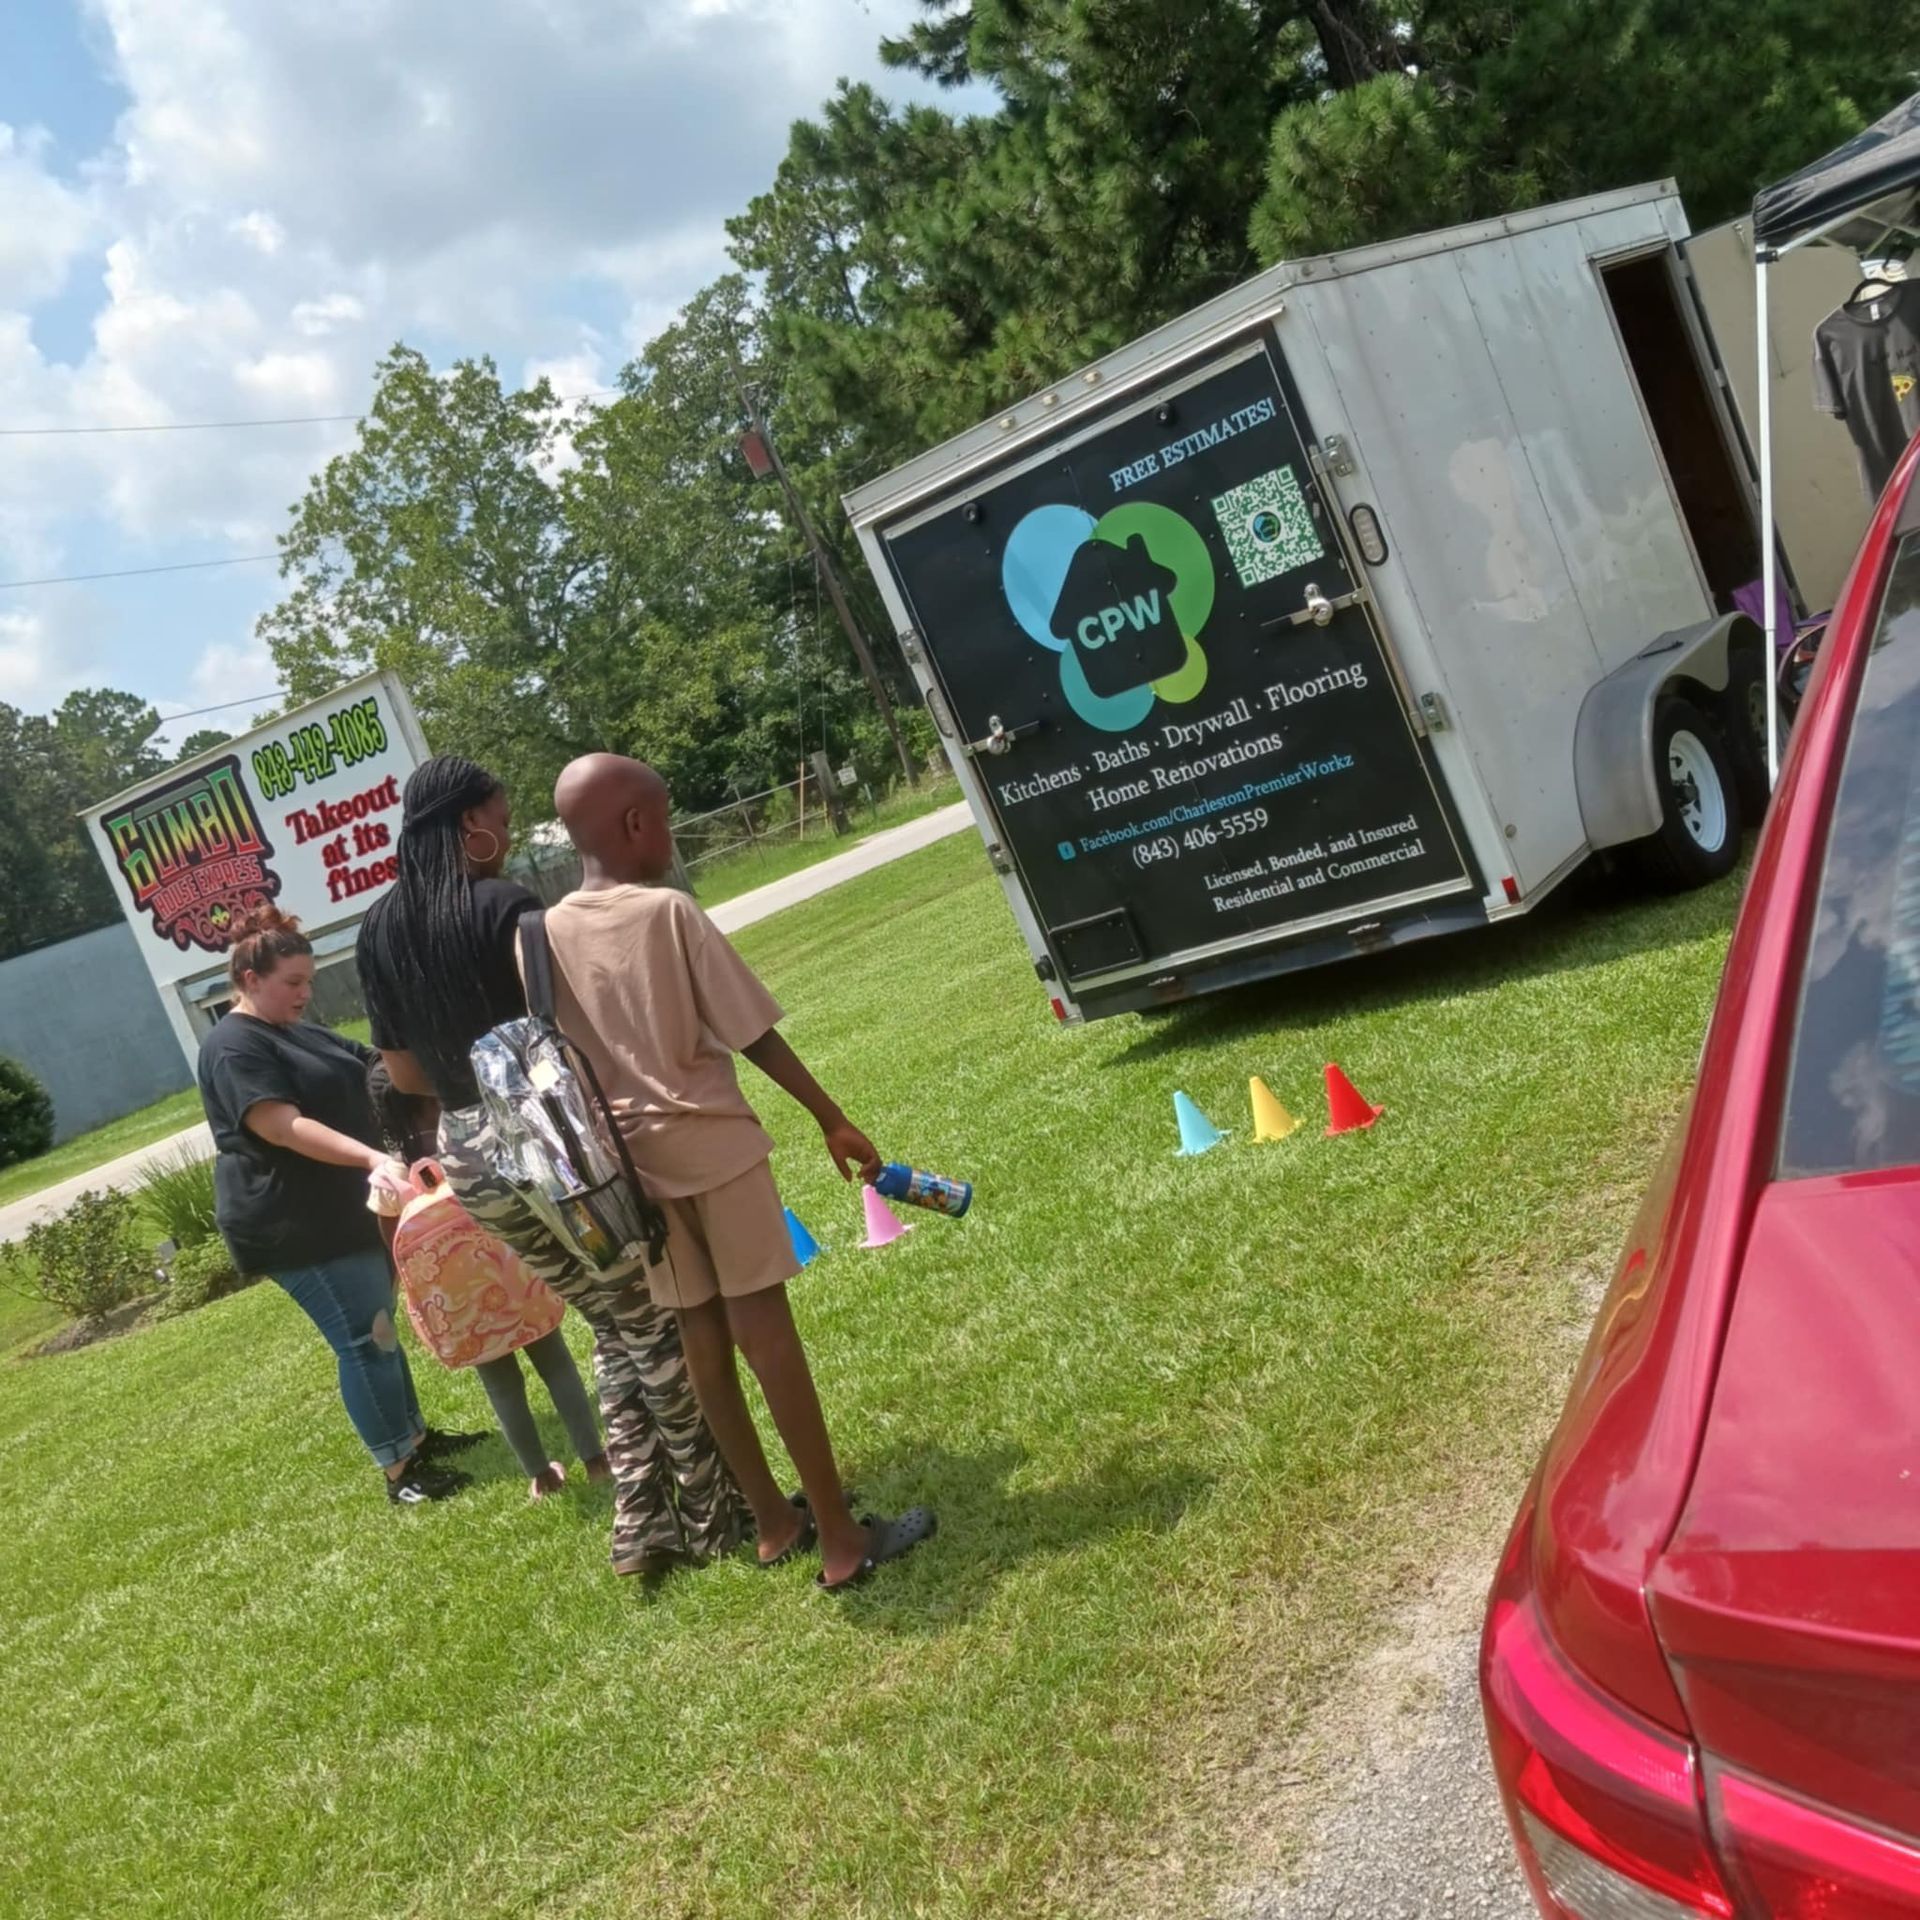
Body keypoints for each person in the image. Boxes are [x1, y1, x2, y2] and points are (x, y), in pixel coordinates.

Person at [542, 753, 936, 1591]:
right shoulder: (667, 912)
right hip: (713, 1148)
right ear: (637, 824)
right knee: (766, 1332)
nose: (672, 836)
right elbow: (751, 1031)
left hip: (632, 1174)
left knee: (701, 1339)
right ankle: (839, 1539)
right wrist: (830, 1116)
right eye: (667, 817)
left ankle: (769, 1522)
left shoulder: (539, 935)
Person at [355, 754, 745, 1575]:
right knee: (656, 1319)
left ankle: (642, 1520)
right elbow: (570, 1028)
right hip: (553, 1145)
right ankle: (715, 1514)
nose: (507, 825)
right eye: (502, 810)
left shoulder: (377, 929)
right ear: (472, 823)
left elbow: (404, 1078)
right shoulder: (506, 907)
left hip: (469, 1155)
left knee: (614, 1322)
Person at [197, 904, 478, 1505]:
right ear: (250, 979)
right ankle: (399, 1472)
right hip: (290, 1223)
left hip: (339, 1212)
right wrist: (371, 1158)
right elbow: (281, 1126)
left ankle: (416, 1439)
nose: (306, 993)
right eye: (293, 983)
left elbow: (369, 1060)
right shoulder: (232, 1046)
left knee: (380, 1327)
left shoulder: (293, 1031)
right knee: (363, 1335)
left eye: (309, 982)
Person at [364, 1060, 612, 1501]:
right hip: (517, 1276)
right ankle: (595, 1459)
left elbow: (394, 1246)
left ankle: (541, 1475)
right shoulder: (470, 1144)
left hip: (461, 1303)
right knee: (555, 1361)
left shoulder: (390, 1178)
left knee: (501, 1386)